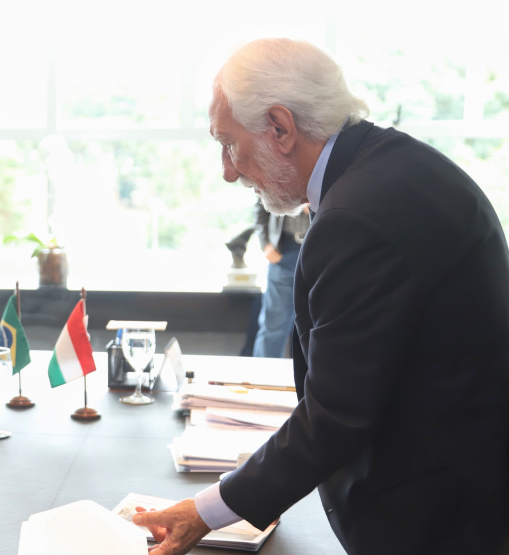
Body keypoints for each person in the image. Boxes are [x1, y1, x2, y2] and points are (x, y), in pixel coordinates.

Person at [133, 38, 509, 554]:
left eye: (228, 143)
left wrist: (206, 512)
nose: (228, 169)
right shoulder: (391, 167)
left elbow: (336, 416)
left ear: (281, 128)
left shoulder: (357, 217)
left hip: (436, 519)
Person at [251, 201, 310, 358]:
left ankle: (313, 380)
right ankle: (261, 379)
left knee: (315, 326)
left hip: (319, 251)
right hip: (284, 250)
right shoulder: (276, 175)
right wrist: (265, 243)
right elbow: (261, 205)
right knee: (273, 325)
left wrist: (317, 206)